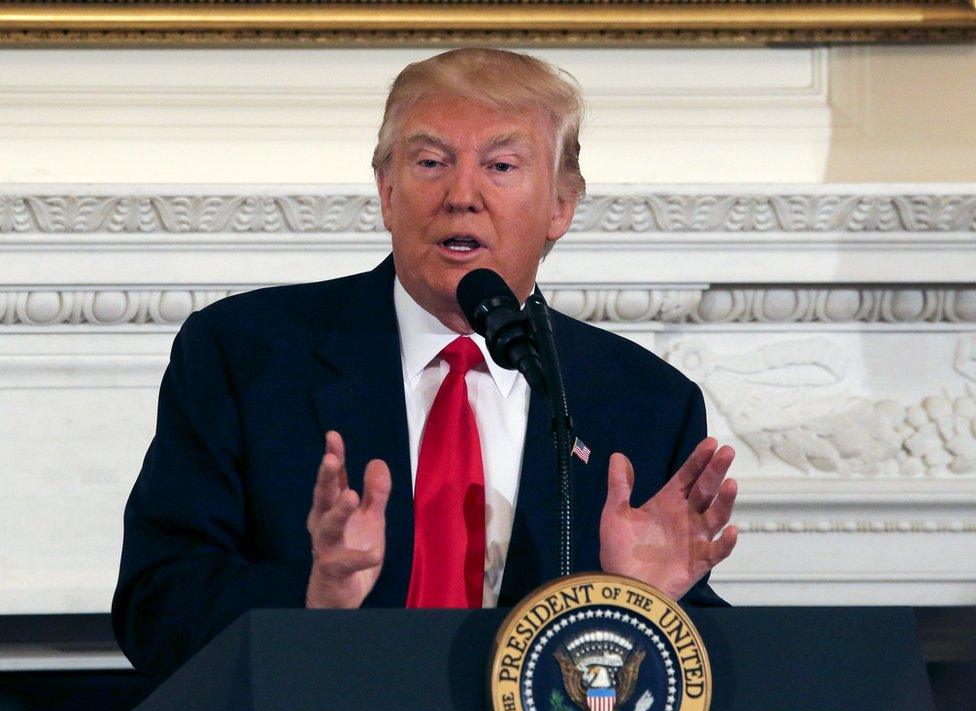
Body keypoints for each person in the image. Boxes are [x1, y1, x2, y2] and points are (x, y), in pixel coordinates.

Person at [112, 48, 738, 677]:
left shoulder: (643, 400)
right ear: (388, 192)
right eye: (431, 162)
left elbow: (696, 680)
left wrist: (643, 606)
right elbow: (155, 603)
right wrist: (313, 600)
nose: (461, 195)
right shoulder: (246, 354)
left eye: (501, 165)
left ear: (560, 207)